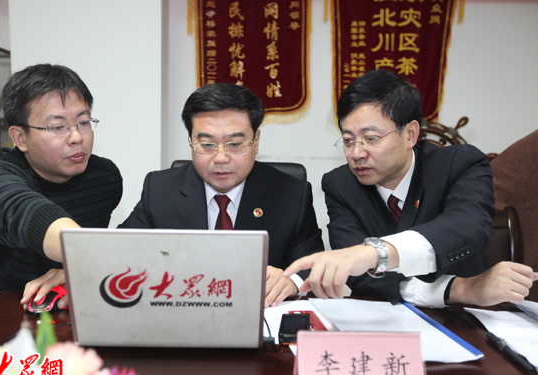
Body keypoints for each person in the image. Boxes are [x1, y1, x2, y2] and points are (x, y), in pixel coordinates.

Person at [285, 69, 536, 307]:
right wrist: (458, 289)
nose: (356, 153)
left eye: (371, 138)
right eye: (349, 140)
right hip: (385, 316)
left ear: (410, 134)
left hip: (462, 317)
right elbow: (360, 277)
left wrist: (375, 254)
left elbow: (467, 226)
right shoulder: (340, 184)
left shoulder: (459, 164)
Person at [119, 82, 324, 307]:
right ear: (191, 141)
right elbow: (119, 252)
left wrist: (292, 282)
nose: (220, 158)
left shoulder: (292, 195)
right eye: (207, 144)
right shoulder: (159, 190)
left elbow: (313, 265)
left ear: (255, 142)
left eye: (234, 144)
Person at [0, 64, 122, 299]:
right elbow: (27, 213)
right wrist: (90, 260)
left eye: (84, 122)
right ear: (20, 137)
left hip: (54, 311)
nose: (77, 137)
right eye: (58, 127)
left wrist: (81, 269)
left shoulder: (104, 178)